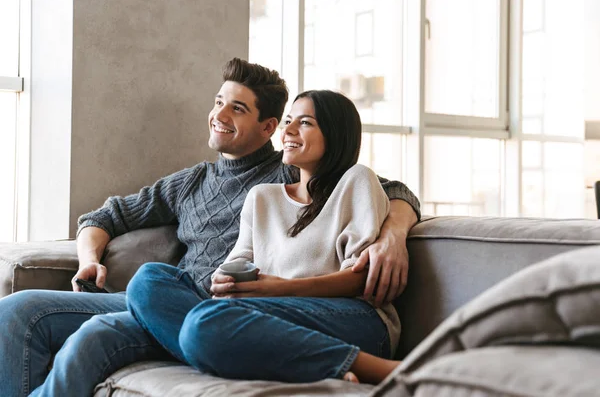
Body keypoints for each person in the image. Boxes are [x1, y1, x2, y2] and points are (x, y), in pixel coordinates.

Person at [0, 58, 420, 396]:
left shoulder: (294, 173)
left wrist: (394, 234)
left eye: (237, 108)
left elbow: (394, 190)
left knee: (104, 334)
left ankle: (238, 344)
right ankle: (225, 341)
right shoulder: (208, 185)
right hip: (195, 304)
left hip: (250, 309)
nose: (219, 114)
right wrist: (89, 259)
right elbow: (105, 216)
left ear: (267, 128)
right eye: (219, 101)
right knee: (22, 309)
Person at [127, 90, 402, 384]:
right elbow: (238, 263)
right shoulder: (262, 197)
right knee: (148, 283)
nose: (289, 131)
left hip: (353, 318)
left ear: (335, 133)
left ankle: (379, 369)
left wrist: (283, 288)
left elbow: (361, 279)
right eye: (288, 121)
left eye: (305, 123)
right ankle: (318, 366)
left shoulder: (357, 180)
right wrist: (225, 282)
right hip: (273, 314)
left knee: (203, 323)